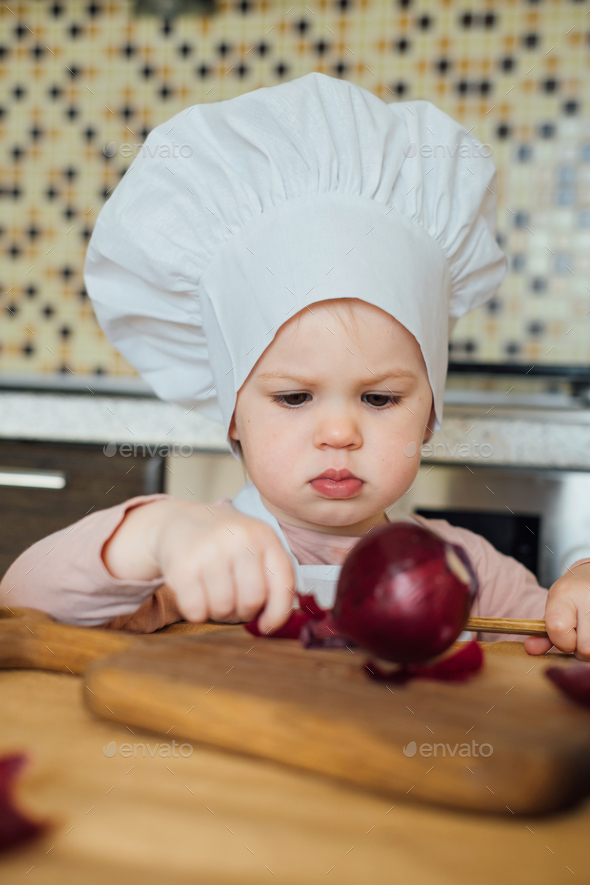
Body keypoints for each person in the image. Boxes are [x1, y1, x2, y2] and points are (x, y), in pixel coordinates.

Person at [2, 74, 589, 659]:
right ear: (233, 412)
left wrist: (578, 593)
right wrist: (151, 535)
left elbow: (558, 637)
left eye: (379, 399)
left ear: (431, 409)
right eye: (294, 398)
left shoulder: (466, 571)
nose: (339, 434)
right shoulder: (193, 561)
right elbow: (23, 608)